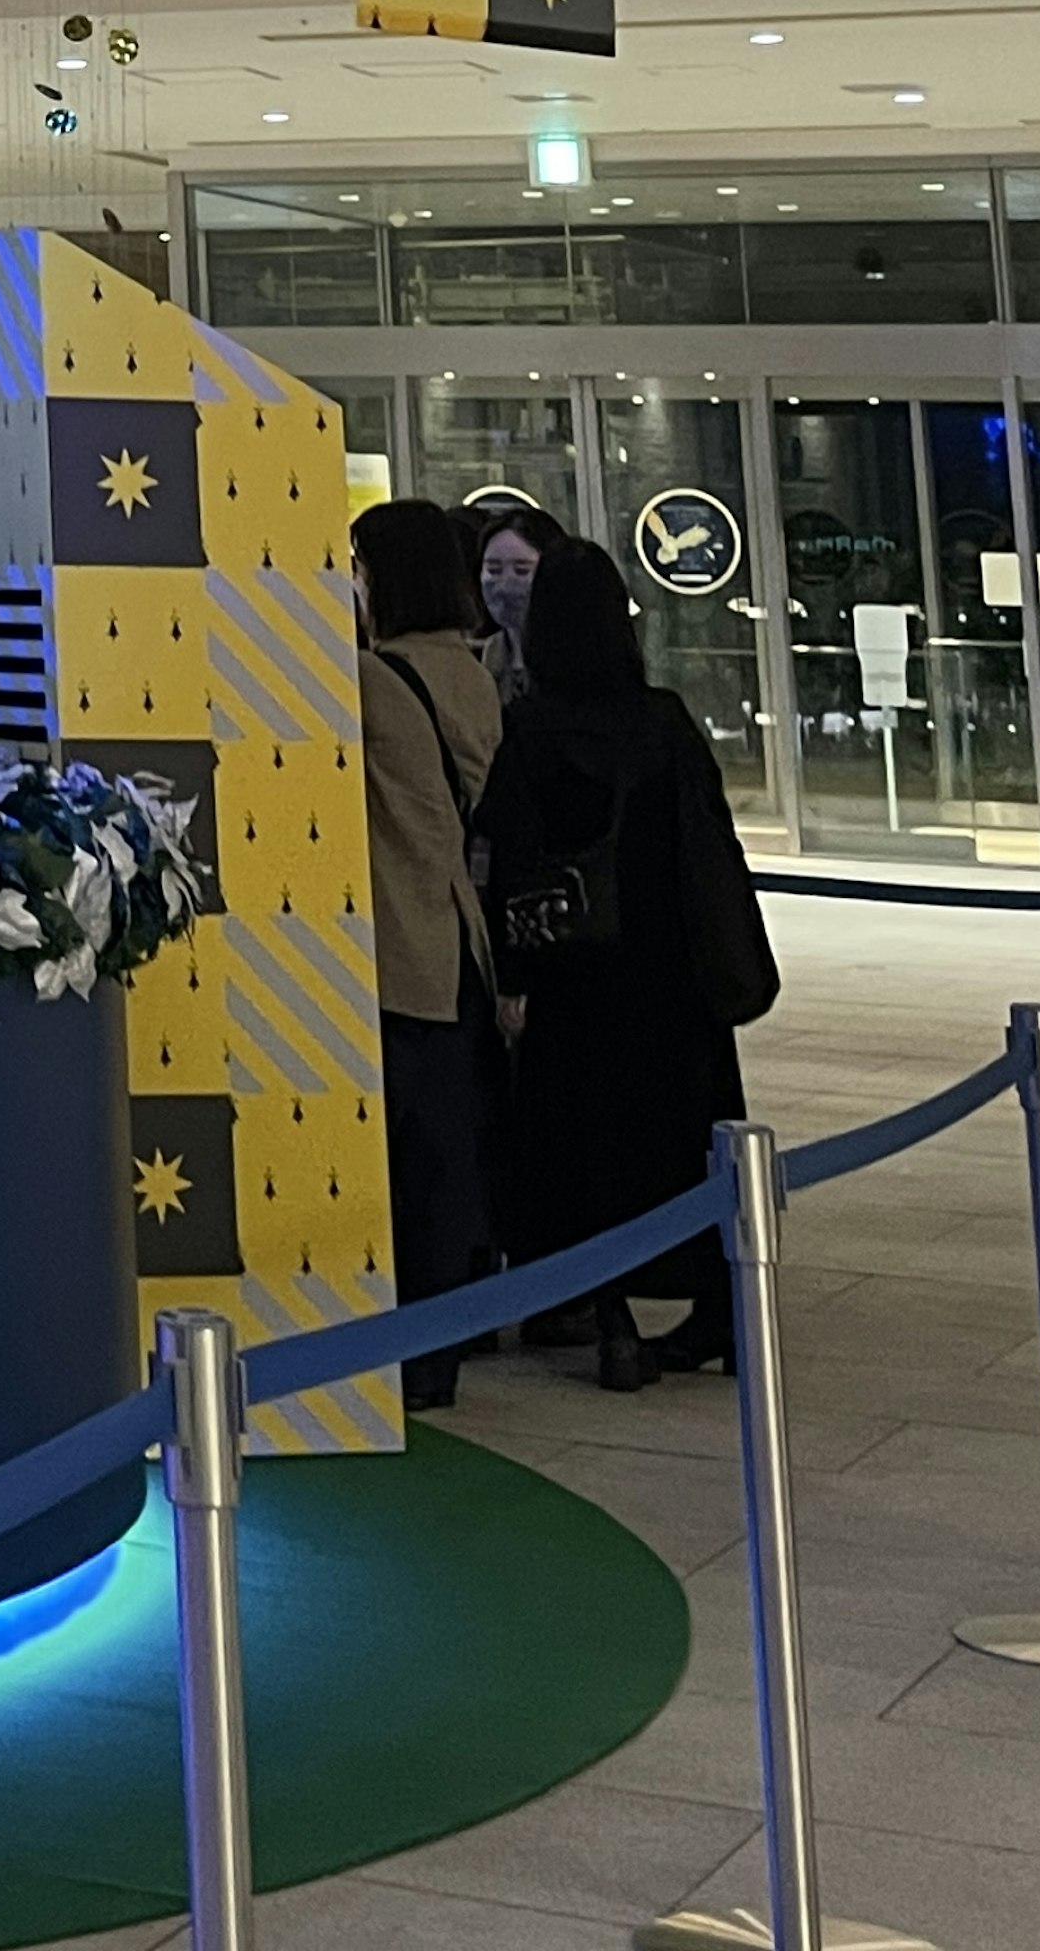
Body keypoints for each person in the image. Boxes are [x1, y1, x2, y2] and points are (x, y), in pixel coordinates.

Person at [477, 540, 781, 1391]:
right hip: (674, 978)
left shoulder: (531, 730)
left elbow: (508, 859)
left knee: (586, 1152)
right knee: (687, 1142)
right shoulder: (665, 723)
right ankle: (716, 1308)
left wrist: (513, 978)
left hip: (579, 981)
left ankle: (609, 1319)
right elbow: (710, 845)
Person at [354, 496, 504, 1405]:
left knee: (410, 1159)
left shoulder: (375, 682)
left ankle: (412, 1355)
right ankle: (447, 1340)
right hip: (462, 939)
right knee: (450, 1150)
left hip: (400, 942)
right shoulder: (471, 672)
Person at [469, 500, 564, 711]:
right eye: (493, 570)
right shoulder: (487, 654)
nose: (503, 586)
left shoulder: (576, 656)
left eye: (521, 571)